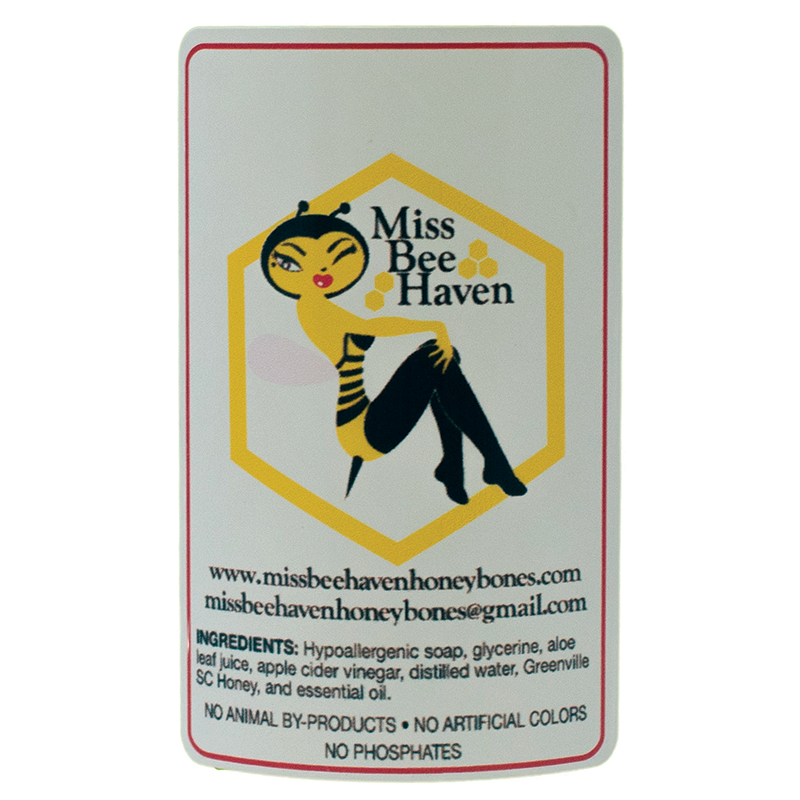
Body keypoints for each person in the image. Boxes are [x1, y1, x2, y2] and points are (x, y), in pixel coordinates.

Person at [260, 201, 526, 505]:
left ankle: (456, 466)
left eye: (338, 256)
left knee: (440, 359)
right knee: (438, 358)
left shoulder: (321, 305)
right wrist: (434, 325)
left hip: (366, 419)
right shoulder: (311, 305)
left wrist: (435, 332)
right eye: (293, 263)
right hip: (362, 429)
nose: (322, 270)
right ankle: (490, 463)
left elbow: (369, 325)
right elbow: (371, 325)